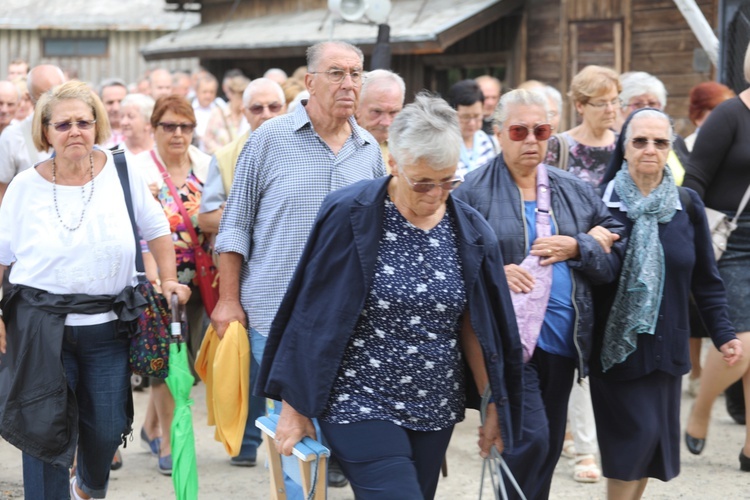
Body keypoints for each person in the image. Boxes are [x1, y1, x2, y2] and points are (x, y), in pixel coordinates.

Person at [256, 92, 523, 499]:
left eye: (448, 181)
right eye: (423, 183)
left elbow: (476, 326)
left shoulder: (470, 230)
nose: (435, 194)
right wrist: (294, 406)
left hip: (434, 403)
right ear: (393, 163)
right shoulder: (350, 213)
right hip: (358, 395)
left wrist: (492, 405)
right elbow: (312, 312)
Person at [0, 80, 190, 499]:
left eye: (83, 122)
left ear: (97, 125)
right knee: (44, 427)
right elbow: (2, 255)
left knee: (105, 428)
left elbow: (157, 227)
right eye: (63, 123)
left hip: (108, 325)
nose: (74, 131)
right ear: (45, 131)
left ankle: (87, 482)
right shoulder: (24, 188)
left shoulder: (121, 171)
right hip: (39, 326)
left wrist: (169, 277)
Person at [212, 40, 386, 494]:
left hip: (347, 321)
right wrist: (229, 300)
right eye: (336, 73)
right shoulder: (268, 140)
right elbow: (234, 229)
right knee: (290, 434)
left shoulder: (369, 151)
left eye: (356, 73)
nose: (349, 83)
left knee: (333, 434)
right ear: (309, 82)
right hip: (275, 316)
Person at [453, 88, 626, 499]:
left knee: (543, 448)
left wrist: (577, 247)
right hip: (507, 344)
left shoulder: (576, 190)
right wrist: (493, 272)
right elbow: (450, 266)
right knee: (531, 438)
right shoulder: (470, 193)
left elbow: (611, 263)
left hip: (562, 344)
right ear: (498, 133)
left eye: (541, 130)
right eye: (519, 130)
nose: (531, 140)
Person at [589, 108, 742, 499]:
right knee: (632, 444)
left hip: (666, 350)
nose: (650, 149)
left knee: (648, 452)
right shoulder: (600, 206)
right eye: (640, 141)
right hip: (617, 350)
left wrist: (724, 335)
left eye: (660, 142)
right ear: (624, 148)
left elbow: (706, 281)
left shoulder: (686, 205)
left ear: (670, 149)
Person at [198, 77, 287, 467]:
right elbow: (207, 216)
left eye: (273, 107)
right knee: (249, 358)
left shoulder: (300, 148)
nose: (266, 115)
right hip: (244, 273)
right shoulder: (227, 155)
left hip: (288, 272)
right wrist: (252, 216)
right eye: (257, 108)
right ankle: (247, 441)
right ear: (243, 112)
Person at [134, 95, 212, 475]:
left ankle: (150, 426)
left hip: (200, 283)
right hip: (157, 282)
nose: (178, 134)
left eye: (185, 126)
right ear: (154, 128)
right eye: (169, 126)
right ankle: (168, 440)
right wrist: (153, 277)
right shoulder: (137, 170)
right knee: (166, 363)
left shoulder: (207, 167)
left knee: (190, 363)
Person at [683, 42, 750, 466]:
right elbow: (695, 181)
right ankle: (701, 407)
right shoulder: (729, 115)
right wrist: (687, 242)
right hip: (730, 241)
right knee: (742, 340)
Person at [678, 81, 736, 398]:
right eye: (714, 109)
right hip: (709, 230)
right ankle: (698, 375)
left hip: (732, 231)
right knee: (696, 304)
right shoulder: (685, 145)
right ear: (700, 113)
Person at [0, 64, 65, 206]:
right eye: (45, 94)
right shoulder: (13, 136)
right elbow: (2, 191)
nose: (53, 100)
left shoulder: (75, 129)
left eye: (59, 92)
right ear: (30, 98)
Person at [545, 65, 620, 187]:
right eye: (601, 103)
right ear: (580, 106)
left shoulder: (623, 144)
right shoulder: (558, 146)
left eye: (614, 101)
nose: (610, 109)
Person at [354, 69, 405, 168]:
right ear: (356, 108)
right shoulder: (338, 146)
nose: (386, 122)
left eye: (393, 113)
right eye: (377, 112)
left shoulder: (410, 149)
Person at [447, 79, 496, 177]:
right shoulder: (444, 145)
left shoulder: (487, 142)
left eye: (477, 116)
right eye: (466, 117)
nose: (472, 123)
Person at [201, 74, 250, 154]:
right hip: (222, 162)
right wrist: (225, 155)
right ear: (231, 94)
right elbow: (207, 140)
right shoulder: (218, 113)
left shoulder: (250, 115)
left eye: (245, 97)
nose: (242, 101)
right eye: (239, 96)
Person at [116, 93, 155, 165]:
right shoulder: (113, 154)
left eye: (131, 116)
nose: (124, 122)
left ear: (148, 123)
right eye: (122, 116)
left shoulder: (160, 152)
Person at [192, 74, 220, 147]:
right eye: (204, 92)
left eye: (211, 92)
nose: (208, 96)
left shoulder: (220, 109)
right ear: (196, 91)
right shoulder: (189, 108)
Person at [99, 79, 128, 148]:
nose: (116, 108)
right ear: (100, 104)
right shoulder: (94, 135)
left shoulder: (140, 133)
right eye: (110, 102)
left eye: (121, 102)